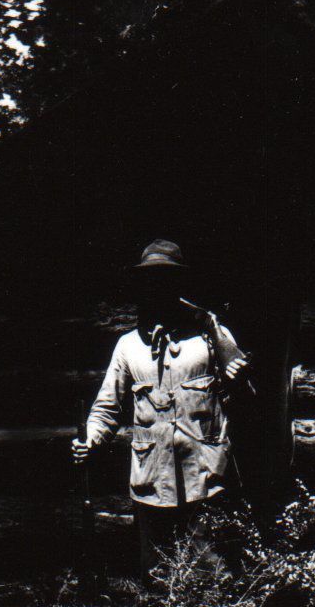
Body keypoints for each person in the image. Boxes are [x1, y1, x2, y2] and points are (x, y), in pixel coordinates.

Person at [72, 240, 250, 574]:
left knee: (213, 577)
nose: (157, 288)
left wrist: (229, 358)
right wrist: (90, 438)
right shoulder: (128, 347)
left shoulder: (212, 338)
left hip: (207, 482)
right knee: (155, 578)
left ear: (180, 285)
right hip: (152, 486)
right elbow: (107, 408)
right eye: (149, 280)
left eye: (166, 279)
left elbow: (245, 398)